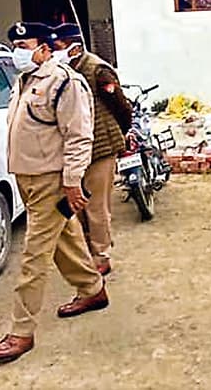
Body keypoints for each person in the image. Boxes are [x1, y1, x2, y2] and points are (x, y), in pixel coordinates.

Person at [0, 22, 108, 365]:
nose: (18, 52)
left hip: (51, 181)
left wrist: (72, 181)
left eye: (24, 46)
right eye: (15, 46)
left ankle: (21, 331)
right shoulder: (25, 80)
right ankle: (93, 289)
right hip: (27, 177)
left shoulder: (65, 82)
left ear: (44, 48)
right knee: (65, 239)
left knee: (34, 254)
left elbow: (78, 136)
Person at [52, 23, 132, 276]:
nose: (54, 52)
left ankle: (101, 255)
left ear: (74, 48)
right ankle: (86, 251)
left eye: (58, 47)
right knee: (77, 205)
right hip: (74, 150)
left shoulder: (97, 70)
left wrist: (121, 133)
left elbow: (121, 106)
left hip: (101, 147)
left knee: (97, 207)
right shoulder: (62, 72)